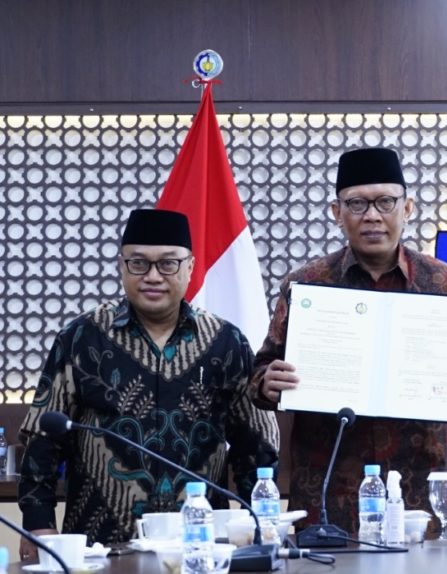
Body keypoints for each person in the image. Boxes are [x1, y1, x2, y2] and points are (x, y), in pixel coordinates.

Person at [253, 147, 447, 533]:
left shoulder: (444, 282)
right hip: (329, 481)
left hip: (420, 480)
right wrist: (269, 383)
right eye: (357, 204)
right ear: (337, 213)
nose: (372, 216)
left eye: (385, 202)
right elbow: (259, 375)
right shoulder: (307, 285)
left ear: (408, 208)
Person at [17, 209, 280, 557]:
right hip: (99, 547)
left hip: (199, 546)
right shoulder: (82, 337)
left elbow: (254, 446)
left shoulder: (226, 342)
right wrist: (38, 522)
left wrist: (257, 527)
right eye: (138, 264)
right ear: (122, 266)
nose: (153, 276)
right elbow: (42, 438)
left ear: (190, 267)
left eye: (168, 264)